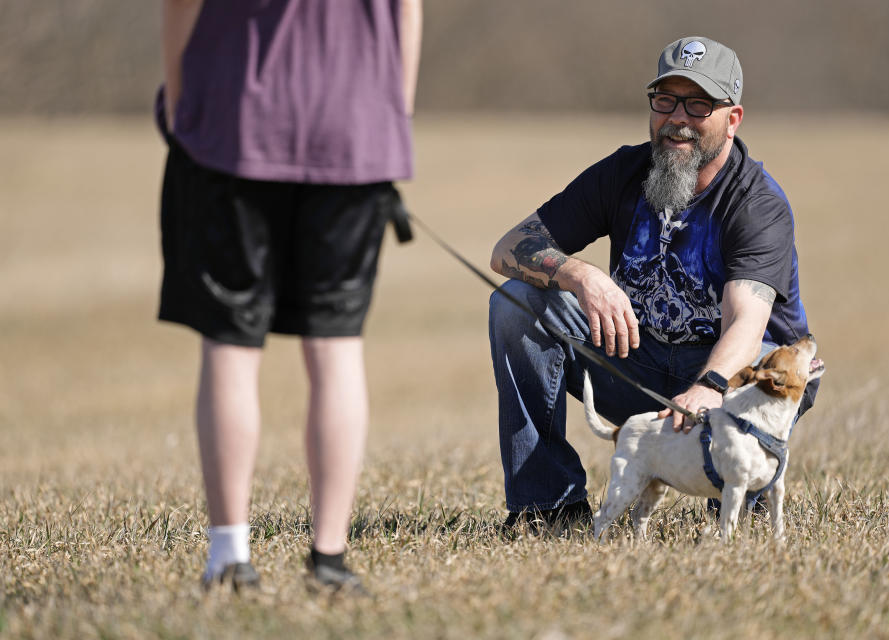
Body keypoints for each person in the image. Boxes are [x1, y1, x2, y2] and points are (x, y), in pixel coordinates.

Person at [488, 36, 819, 529]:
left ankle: (738, 499)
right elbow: (509, 247)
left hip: (729, 379)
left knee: (756, 357)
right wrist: (578, 275)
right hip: (634, 361)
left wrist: (710, 385)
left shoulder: (757, 203)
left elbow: (747, 321)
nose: (677, 119)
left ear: (733, 119)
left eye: (698, 104)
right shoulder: (623, 172)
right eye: (666, 100)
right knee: (516, 304)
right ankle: (548, 505)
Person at [157, 0, 422, 591]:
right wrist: (390, 117)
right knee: (336, 347)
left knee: (230, 345)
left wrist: (181, 106)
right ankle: (329, 558)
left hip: (234, 126)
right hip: (355, 130)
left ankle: (229, 557)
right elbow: (408, 9)